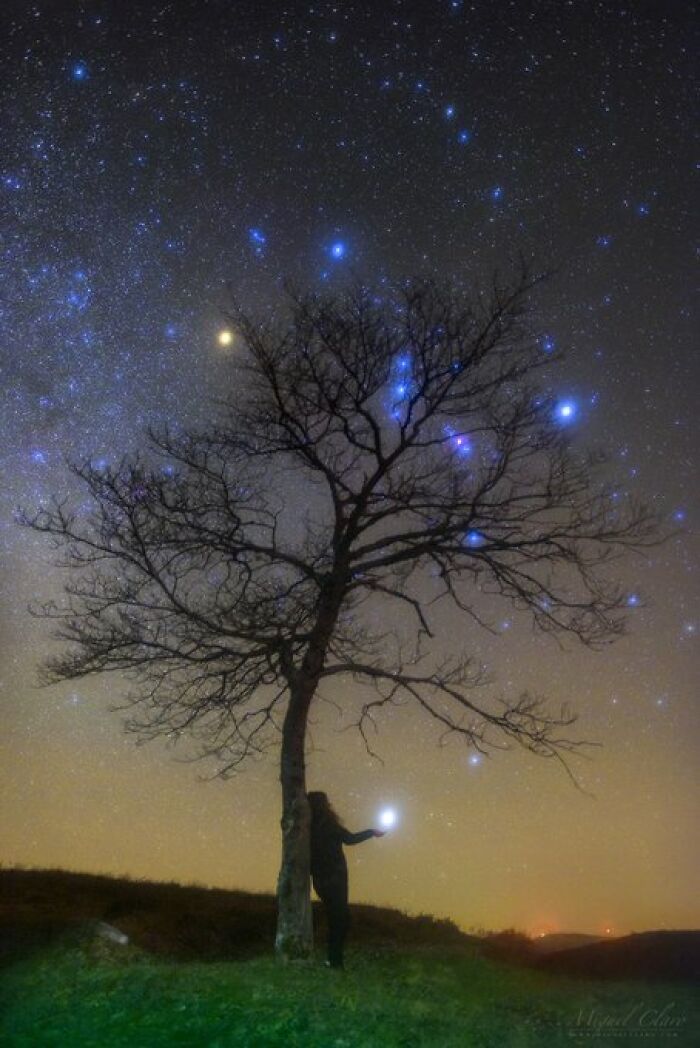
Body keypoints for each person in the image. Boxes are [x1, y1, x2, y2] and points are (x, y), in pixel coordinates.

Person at [307, 791, 385, 969]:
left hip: (321, 879)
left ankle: (334, 960)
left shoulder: (307, 827)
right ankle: (335, 962)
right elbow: (350, 839)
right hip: (336, 878)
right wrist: (371, 832)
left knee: (337, 918)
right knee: (340, 919)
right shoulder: (329, 825)